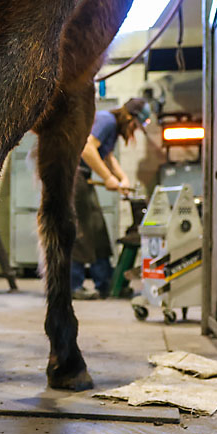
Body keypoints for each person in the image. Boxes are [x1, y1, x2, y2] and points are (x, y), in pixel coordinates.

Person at [71, 98, 151, 300]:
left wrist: (122, 178)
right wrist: (107, 177)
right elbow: (87, 149)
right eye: (135, 125)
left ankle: (107, 284)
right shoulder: (106, 120)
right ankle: (73, 285)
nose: (133, 131)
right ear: (128, 117)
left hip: (83, 176)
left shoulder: (112, 126)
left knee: (98, 230)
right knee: (80, 230)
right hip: (73, 176)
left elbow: (107, 156)